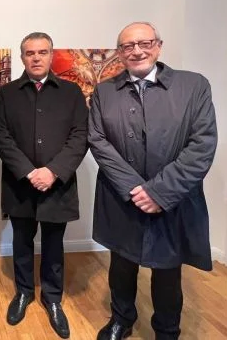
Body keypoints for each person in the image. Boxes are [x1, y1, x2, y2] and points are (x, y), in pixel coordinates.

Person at [88, 22, 217, 340]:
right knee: (121, 263)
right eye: (128, 46)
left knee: (167, 269)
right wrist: (135, 189)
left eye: (144, 43)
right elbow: (98, 141)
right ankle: (121, 319)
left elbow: (202, 145)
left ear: (158, 46)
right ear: (120, 53)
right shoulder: (105, 91)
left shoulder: (193, 86)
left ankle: (167, 330)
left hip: (172, 199)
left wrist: (158, 192)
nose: (137, 51)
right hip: (122, 198)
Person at [0, 32, 88, 339]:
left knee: (54, 244)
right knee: (21, 242)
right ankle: (23, 292)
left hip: (57, 185)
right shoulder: (6, 94)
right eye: (30, 53)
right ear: (22, 57)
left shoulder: (71, 92)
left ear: (51, 55)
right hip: (21, 184)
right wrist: (29, 172)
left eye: (42, 52)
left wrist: (53, 171)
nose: (36, 58)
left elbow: (80, 136)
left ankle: (52, 298)